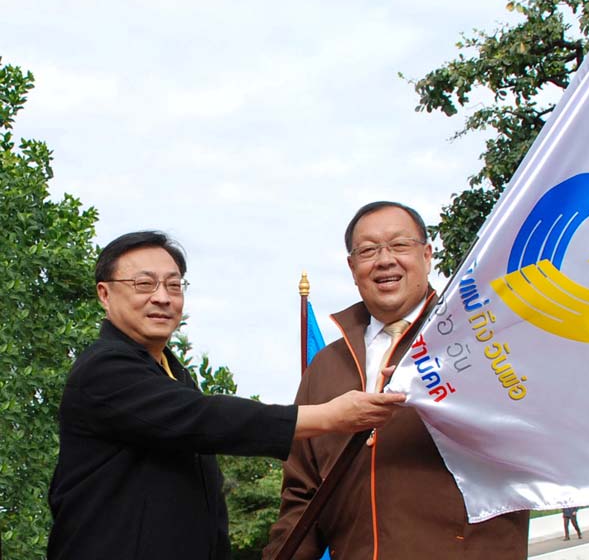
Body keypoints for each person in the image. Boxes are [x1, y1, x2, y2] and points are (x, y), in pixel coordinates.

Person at [47, 231, 405, 559]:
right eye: (144, 284)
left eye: (174, 286)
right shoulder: (105, 369)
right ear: (104, 294)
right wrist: (329, 417)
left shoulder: (174, 374)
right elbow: (204, 418)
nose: (162, 297)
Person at [264, 201, 530, 559]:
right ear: (352, 267)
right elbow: (303, 496)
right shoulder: (326, 368)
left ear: (427, 254)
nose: (385, 259)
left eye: (400, 245)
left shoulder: (481, 340)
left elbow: (531, 437)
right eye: (368, 250)